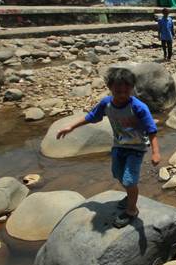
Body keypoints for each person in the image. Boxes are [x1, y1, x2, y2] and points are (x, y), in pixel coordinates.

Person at [56, 67, 161, 228]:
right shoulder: (106, 104)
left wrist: (155, 152)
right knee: (118, 174)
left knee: (129, 179)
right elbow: (91, 117)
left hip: (136, 149)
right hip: (119, 146)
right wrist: (71, 126)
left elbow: (152, 130)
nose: (122, 95)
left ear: (132, 89)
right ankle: (130, 194)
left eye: (126, 91)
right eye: (118, 91)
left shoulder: (139, 107)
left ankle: (132, 210)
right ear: (110, 88)